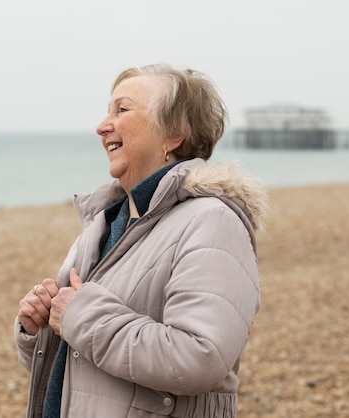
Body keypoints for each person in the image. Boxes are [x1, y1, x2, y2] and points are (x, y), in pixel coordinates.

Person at [14, 63, 268, 418]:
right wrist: (38, 328)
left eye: (122, 109)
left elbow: (199, 358)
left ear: (174, 134)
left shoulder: (212, 221)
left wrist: (79, 315)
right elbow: (83, 369)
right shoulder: (104, 224)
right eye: (107, 111)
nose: (102, 126)